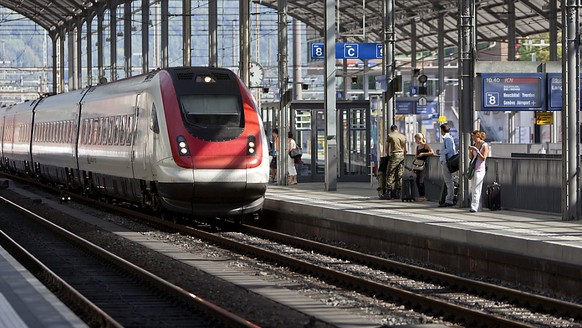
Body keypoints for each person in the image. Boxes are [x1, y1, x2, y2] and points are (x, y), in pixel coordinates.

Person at [383, 125, 407, 199]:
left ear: (391, 129)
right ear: (397, 129)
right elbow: (406, 149)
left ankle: (388, 192)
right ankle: (398, 192)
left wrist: (387, 154)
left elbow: (386, 146)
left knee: (390, 173)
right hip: (401, 155)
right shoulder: (403, 136)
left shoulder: (390, 135)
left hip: (394, 155)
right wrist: (403, 155)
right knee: (399, 174)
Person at [468, 130, 489, 212]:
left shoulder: (484, 145)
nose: (473, 138)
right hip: (474, 169)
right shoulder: (474, 144)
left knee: (477, 188)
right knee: (473, 187)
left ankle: (474, 206)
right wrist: (470, 151)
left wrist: (476, 150)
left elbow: (484, 157)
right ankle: (476, 205)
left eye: (474, 137)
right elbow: (471, 157)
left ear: (478, 136)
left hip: (480, 169)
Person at [438, 123, 456, 207]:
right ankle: (449, 198)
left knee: (449, 182)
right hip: (446, 161)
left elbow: (449, 149)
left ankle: (449, 200)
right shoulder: (448, 138)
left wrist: (440, 152)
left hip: (447, 162)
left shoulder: (447, 139)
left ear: (442, 130)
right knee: (449, 181)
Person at [411, 133, 433, 202]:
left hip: (423, 165)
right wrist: (412, 168)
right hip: (418, 165)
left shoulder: (425, 146)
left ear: (418, 138)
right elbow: (416, 156)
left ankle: (423, 196)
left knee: (420, 180)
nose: (415, 140)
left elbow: (432, 152)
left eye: (416, 139)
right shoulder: (418, 147)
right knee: (417, 180)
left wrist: (423, 154)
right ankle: (421, 195)